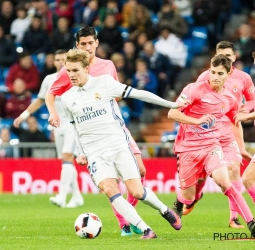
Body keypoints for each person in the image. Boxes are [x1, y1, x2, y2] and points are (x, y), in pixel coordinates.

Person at [61, 48, 186, 239]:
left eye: (75, 70)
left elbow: (139, 94)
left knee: (136, 192)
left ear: (86, 68)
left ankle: (164, 210)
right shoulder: (67, 98)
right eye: (68, 70)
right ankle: (146, 229)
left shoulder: (104, 83)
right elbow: (75, 128)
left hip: (118, 145)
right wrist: (81, 151)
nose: (71, 75)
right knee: (110, 189)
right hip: (95, 153)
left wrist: (171, 104)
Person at [45, 26, 148, 236]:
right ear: (77, 45)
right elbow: (50, 93)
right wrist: (53, 113)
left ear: (96, 43)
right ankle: (125, 224)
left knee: (141, 171)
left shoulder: (108, 66)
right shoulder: (71, 69)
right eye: (82, 44)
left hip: (116, 128)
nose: (87, 47)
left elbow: (116, 94)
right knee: (111, 182)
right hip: (92, 134)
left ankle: (129, 216)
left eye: (90, 43)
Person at [167, 54, 255, 236]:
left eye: (220, 73)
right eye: (212, 72)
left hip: (211, 146)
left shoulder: (230, 99)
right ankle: (180, 201)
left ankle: (251, 223)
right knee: (189, 196)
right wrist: (197, 120)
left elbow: (233, 120)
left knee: (225, 182)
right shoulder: (193, 89)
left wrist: (240, 147)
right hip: (188, 148)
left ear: (229, 73)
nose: (214, 77)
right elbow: (172, 114)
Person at [13, 50, 84, 208]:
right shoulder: (49, 80)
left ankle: (62, 196)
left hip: (74, 125)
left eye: (62, 59)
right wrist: (23, 116)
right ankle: (77, 196)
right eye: (56, 59)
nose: (59, 62)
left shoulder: (76, 78)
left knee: (67, 158)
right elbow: (39, 101)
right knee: (66, 161)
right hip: (58, 126)